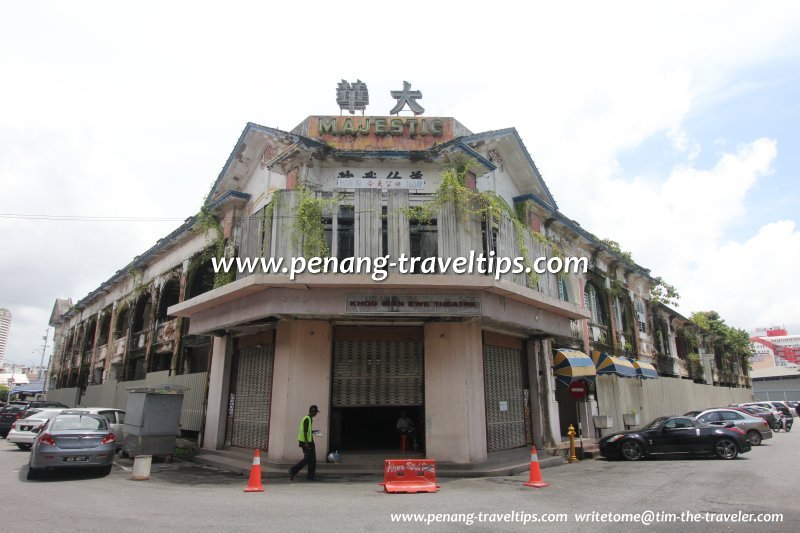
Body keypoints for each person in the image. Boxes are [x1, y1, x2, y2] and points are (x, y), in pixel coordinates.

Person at [289, 405, 319, 481]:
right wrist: (306, 443)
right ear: (312, 411)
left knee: (312, 459)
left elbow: (307, 430)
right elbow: (305, 432)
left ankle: (310, 476)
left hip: (309, 441)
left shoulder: (309, 419)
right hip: (306, 442)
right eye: (315, 412)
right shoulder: (307, 419)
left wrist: (313, 431)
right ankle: (292, 470)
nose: (316, 414)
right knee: (308, 459)